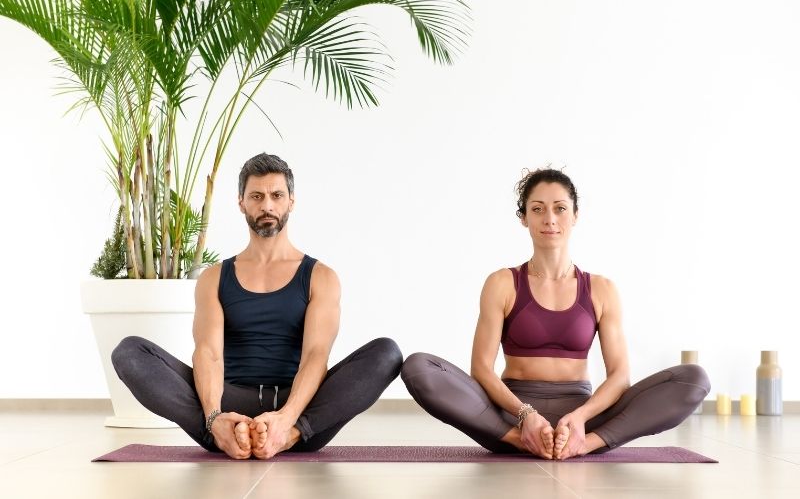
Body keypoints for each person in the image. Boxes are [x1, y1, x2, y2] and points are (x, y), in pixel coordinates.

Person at [401, 168, 710, 460]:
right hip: (511, 414)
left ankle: (582, 445)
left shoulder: (601, 289)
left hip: (583, 417)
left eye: (560, 208)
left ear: (575, 215)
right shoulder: (502, 283)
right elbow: (481, 369)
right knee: (418, 367)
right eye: (537, 209)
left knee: (694, 379)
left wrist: (580, 419)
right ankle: (519, 440)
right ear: (524, 218)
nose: (549, 218)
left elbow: (619, 377)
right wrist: (526, 416)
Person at [112, 153, 403, 459]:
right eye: (256, 196)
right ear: (241, 202)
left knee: (387, 353)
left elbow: (316, 356)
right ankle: (222, 433)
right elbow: (208, 353)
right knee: (129, 353)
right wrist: (214, 416)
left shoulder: (321, 277)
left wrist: (287, 420)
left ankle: (286, 437)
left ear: (291, 201)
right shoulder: (214, 278)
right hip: (228, 404)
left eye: (277, 195)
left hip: (300, 413)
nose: (267, 205)